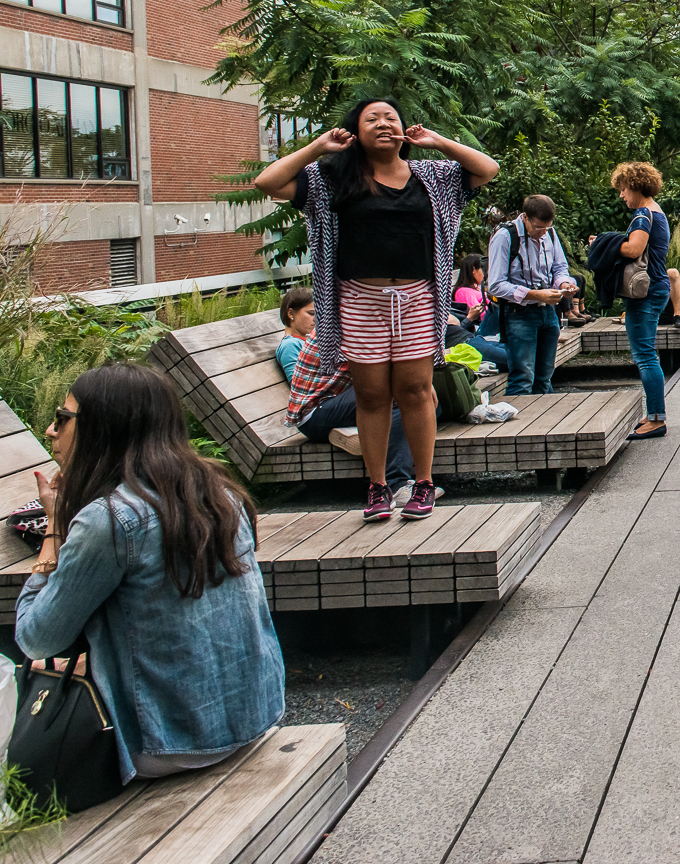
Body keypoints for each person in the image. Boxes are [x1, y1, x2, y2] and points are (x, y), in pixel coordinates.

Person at [16, 363, 284, 783]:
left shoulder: (110, 520)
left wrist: (54, 530)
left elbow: (37, 638)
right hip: (253, 716)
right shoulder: (219, 493)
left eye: (62, 418)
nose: (51, 430)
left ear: (104, 428)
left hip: (168, 744)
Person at [254, 98, 499, 522]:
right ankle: (378, 486)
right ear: (355, 131)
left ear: (404, 129)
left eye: (391, 118)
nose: (384, 123)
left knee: (416, 391)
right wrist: (318, 146)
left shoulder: (432, 177)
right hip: (359, 301)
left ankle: (422, 483)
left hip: (419, 299)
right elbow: (268, 182)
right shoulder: (331, 178)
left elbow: (487, 169)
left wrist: (438, 142)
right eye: (372, 119)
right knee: (371, 395)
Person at [276, 288, 433, 511]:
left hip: (333, 402)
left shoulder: (362, 317)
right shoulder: (352, 322)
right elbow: (382, 375)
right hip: (315, 412)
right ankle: (396, 484)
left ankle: (412, 481)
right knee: (402, 397)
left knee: (423, 402)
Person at [486, 195, 578, 396]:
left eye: (547, 227)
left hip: (548, 313)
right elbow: (495, 285)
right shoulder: (505, 237)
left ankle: (544, 425)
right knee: (523, 377)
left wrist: (564, 284)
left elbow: (560, 267)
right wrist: (535, 294)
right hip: (518, 314)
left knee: (545, 377)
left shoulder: (550, 234)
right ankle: (519, 426)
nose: (542, 232)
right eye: (538, 228)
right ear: (525, 217)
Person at [614, 162, 673, 440]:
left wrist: (605, 243)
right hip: (657, 286)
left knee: (645, 355)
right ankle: (653, 413)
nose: (622, 195)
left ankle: (656, 419)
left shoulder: (643, 213)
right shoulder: (657, 211)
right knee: (648, 353)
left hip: (645, 290)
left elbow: (634, 248)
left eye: (623, 189)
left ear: (636, 186)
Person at [451, 254, 509, 371]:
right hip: (476, 333)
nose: (486, 273)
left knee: (527, 354)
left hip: (474, 337)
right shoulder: (463, 292)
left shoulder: (476, 289)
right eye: (484, 270)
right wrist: (470, 318)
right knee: (498, 304)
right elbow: (479, 315)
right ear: (473, 270)